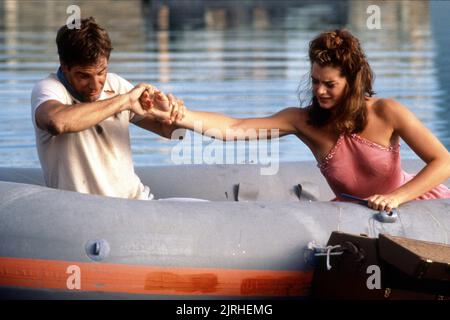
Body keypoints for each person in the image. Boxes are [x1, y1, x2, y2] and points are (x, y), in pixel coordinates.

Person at [164, 29, 450, 212]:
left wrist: (396, 198)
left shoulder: (387, 112)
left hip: (414, 205)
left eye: (329, 84)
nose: (319, 91)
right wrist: (181, 115)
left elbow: (443, 161)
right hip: (352, 213)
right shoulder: (304, 122)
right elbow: (235, 128)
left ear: (352, 81)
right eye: (315, 82)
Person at [31, 17, 182, 200]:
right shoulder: (49, 89)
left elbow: (171, 133)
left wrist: (172, 114)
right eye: (84, 76)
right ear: (65, 68)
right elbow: (56, 122)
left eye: (101, 72)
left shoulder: (116, 84)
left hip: (138, 203)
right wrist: (124, 101)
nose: (95, 85)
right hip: (85, 213)